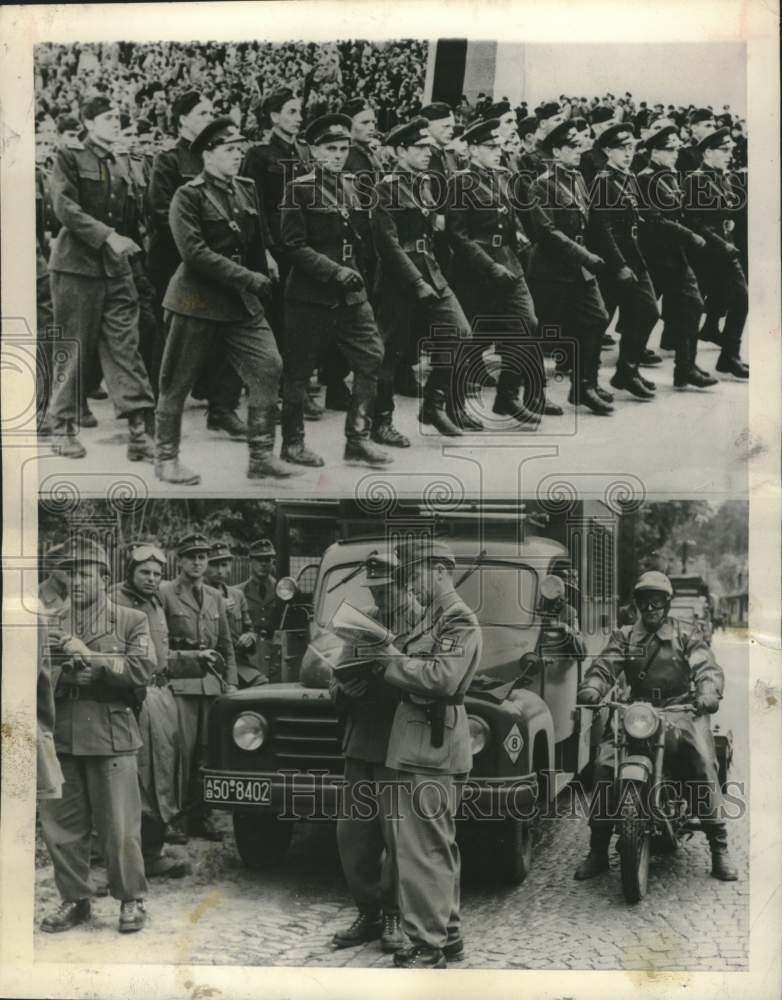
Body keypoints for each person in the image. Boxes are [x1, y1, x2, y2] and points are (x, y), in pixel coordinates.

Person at [156, 117, 294, 485]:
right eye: (229, 150)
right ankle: (166, 459)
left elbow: (255, 242)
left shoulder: (245, 189)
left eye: (239, 149)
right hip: (196, 301)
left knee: (268, 366)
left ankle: (262, 456)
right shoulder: (188, 195)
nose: (238, 156)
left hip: (239, 303)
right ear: (207, 154)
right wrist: (250, 278)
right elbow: (194, 254)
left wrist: (265, 265)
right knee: (176, 383)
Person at [575, 571, 738, 883]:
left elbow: (706, 666)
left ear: (666, 604)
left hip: (682, 710)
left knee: (702, 759)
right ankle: (597, 849)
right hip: (637, 711)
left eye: (657, 601)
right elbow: (604, 666)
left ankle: (719, 847)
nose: (650, 608)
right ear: (636, 604)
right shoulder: (623, 636)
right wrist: (593, 687)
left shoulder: (686, 634)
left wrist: (707, 692)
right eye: (643, 602)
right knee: (605, 763)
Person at [374, 540, 483, 969]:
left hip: (430, 746)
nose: (410, 585)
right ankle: (447, 934)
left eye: (414, 574)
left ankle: (427, 944)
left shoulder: (456, 619)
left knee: (422, 850)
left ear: (439, 571)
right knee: (435, 846)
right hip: (422, 744)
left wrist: (389, 660)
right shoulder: (435, 619)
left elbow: (442, 677)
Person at [39, 538, 153, 934]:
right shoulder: (49, 620)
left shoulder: (131, 619)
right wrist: (60, 673)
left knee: (119, 827)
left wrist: (96, 663)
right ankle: (75, 900)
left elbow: (144, 670)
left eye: (85, 573)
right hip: (63, 732)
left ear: (104, 578)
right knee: (63, 826)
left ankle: (131, 900)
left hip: (111, 734)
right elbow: (28, 673)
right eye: (70, 573)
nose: (77, 581)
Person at [47, 95, 156, 462]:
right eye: (108, 118)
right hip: (77, 268)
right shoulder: (70, 157)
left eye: (118, 118)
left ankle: (138, 431)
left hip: (118, 270)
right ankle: (61, 427)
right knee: (73, 347)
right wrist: (107, 236)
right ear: (89, 123)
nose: (115, 122)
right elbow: (65, 208)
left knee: (125, 348)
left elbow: (131, 221)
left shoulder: (122, 164)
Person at [279, 113, 390, 469]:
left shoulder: (351, 184)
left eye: (343, 148)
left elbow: (359, 238)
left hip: (351, 292)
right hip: (312, 294)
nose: (338, 154)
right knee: (298, 370)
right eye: (330, 148)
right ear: (313, 150)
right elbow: (293, 245)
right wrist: (334, 271)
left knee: (371, 356)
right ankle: (292, 444)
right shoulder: (298, 188)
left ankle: (357, 439)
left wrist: (358, 275)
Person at [329, 553, 419, 954]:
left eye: (386, 589)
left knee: (398, 836)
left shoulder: (423, 621)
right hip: (361, 738)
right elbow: (339, 672)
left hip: (399, 741)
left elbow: (434, 679)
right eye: (374, 589)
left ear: (403, 583)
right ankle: (368, 911)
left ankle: (395, 914)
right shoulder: (362, 619)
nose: (380, 597)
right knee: (354, 835)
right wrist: (343, 690)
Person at [371, 116, 478, 442]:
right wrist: (416, 282)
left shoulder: (425, 183)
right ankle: (381, 423)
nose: (427, 153)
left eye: (428, 147)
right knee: (391, 353)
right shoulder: (384, 188)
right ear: (401, 150)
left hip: (432, 272)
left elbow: (432, 233)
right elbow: (387, 244)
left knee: (460, 333)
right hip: (398, 280)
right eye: (419, 148)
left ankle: (433, 404)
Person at [147, 91, 245, 435]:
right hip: (178, 262)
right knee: (178, 338)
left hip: (216, 262)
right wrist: (197, 246)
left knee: (224, 333)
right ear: (182, 120)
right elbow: (161, 212)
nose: (209, 116)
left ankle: (221, 407)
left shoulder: (219, 156)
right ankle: (160, 411)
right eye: (202, 112)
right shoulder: (170, 160)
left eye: (212, 111)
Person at [446, 117, 553, 428]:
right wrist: (488, 265)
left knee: (526, 323)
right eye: (490, 146)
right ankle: (452, 406)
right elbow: (457, 234)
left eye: (499, 146)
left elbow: (520, 220)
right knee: (470, 339)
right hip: (474, 270)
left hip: (508, 263)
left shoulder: (504, 177)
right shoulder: (460, 182)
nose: (497, 151)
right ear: (473, 149)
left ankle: (507, 396)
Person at [110, 541, 191, 879]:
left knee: (163, 775)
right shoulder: (114, 601)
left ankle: (152, 852)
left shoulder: (157, 602)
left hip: (159, 696)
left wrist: (195, 661)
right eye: (144, 571)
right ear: (130, 571)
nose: (151, 578)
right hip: (129, 699)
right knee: (132, 778)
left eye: (157, 574)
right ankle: (110, 862)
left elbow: (161, 655)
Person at [527, 119, 614, 415]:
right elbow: (546, 232)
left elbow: (588, 222)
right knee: (544, 332)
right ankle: (534, 393)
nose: (579, 151)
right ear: (556, 150)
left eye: (580, 145)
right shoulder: (541, 184)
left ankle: (584, 387)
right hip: (551, 270)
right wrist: (584, 255)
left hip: (579, 268)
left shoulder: (576, 179)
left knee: (597, 318)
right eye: (572, 146)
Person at [159, 532, 237, 841]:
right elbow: (161, 642)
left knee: (208, 754)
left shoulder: (215, 596)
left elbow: (227, 645)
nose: (197, 562)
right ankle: (176, 818)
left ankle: (202, 815)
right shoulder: (166, 593)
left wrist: (230, 682)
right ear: (180, 560)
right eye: (191, 556)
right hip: (180, 686)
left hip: (212, 687)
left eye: (202, 557)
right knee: (180, 755)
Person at [636, 125, 718, 390]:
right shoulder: (646, 178)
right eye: (668, 150)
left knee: (691, 306)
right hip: (655, 254)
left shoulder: (669, 176)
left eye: (675, 150)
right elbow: (656, 220)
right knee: (643, 312)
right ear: (654, 152)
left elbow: (678, 212)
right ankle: (629, 366)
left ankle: (685, 368)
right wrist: (690, 236)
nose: (674, 155)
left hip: (674, 255)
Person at [589, 123, 661, 400]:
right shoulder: (603, 181)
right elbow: (603, 229)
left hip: (633, 256)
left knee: (646, 312)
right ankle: (590, 380)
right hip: (614, 261)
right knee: (600, 319)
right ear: (607, 150)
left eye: (631, 147)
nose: (629, 153)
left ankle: (627, 371)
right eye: (622, 148)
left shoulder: (626, 176)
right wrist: (619, 265)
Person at [684, 128, 749, 380]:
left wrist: (729, 226)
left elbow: (726, 211)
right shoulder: (696, 179)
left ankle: (729, 356)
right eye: (724, 150)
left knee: (741, 299)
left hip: (725, 252)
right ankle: (687, 365)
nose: (729, 154)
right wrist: (720, 243)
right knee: (693, 306)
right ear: (708, 152)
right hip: (706, 254)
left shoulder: (724, 177)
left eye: (731, 150)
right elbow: (693, 220)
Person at [206, 541, 265, 688]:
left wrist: (249, 637)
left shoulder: (237, 596)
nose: (220, 571)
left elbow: (250, 629)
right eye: (214, 565)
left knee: (262, 684)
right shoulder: (200, 594)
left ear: (230, 567)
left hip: (239, 663)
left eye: (224, 565)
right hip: (210, 663)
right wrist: (217, 609)